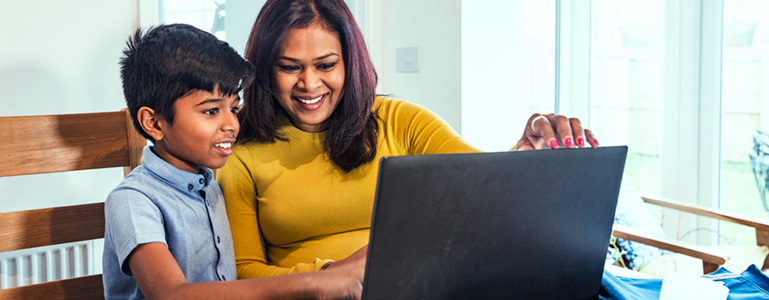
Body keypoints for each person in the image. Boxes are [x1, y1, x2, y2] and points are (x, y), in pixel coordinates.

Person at [217, 0, 599, 279]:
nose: (310, 84)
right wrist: (334, 275)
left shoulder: (398, 120)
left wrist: (527, 147)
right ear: (266, 70)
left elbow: (486, 181)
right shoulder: (240, 149)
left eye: (326, 65)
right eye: (289, 68)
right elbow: (243, 271)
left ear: (351, 63)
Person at [102, 24, 364, 299]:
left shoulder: (209, 187)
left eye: (234, 108)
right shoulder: (133, 201)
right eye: (212, 110)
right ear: (153, 123)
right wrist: (315, 283)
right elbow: (172, 295)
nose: (232, 124)